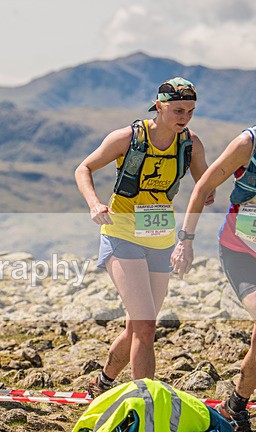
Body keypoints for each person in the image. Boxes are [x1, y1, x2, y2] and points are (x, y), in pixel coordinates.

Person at [75, 77, 214, 397]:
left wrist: (208, 193)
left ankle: (102, 382)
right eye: (178, 110)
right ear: (160, 105)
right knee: (147, 326)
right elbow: (83, 169)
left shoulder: (190, 143)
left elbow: (204, 183)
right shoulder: (127, 137)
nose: (185, 117)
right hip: (122, 235)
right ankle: (144, 402)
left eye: (191, 112)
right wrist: (95, 204)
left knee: (137, 327)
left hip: (161, 240)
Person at [172, 125, 256, 432]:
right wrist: (186, 240)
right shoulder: (248, 144)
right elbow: (201, 187)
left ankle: (236, 404)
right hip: (241, 252)